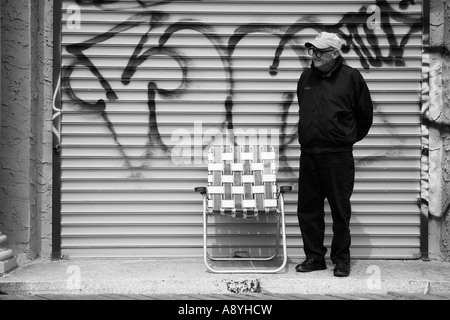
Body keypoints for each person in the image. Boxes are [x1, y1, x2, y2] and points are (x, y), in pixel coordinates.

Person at [295, 32, 373, 277]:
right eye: (312, 51)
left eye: (319, 51)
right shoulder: (305, 77)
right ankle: (314, 257)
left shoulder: (352, 78)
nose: (314, 55)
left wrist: (345, 138)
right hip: (309, 154)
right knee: (308, 209)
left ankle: (341, 259)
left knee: (340, 209)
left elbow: (364, 115)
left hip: (337, 155)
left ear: (335, 53)